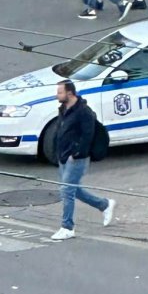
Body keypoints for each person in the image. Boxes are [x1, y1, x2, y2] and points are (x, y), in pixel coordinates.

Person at [50, 80, 115, 241]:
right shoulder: (63, 108)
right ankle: (104, 204)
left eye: (60, 92)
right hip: (63, 156)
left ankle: (67, 227)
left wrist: (77, 153)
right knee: (73, 190)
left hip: (76, 158)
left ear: (69, 93)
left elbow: (88, 135)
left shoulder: (83, 112)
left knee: (67, 191)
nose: (57, 95)